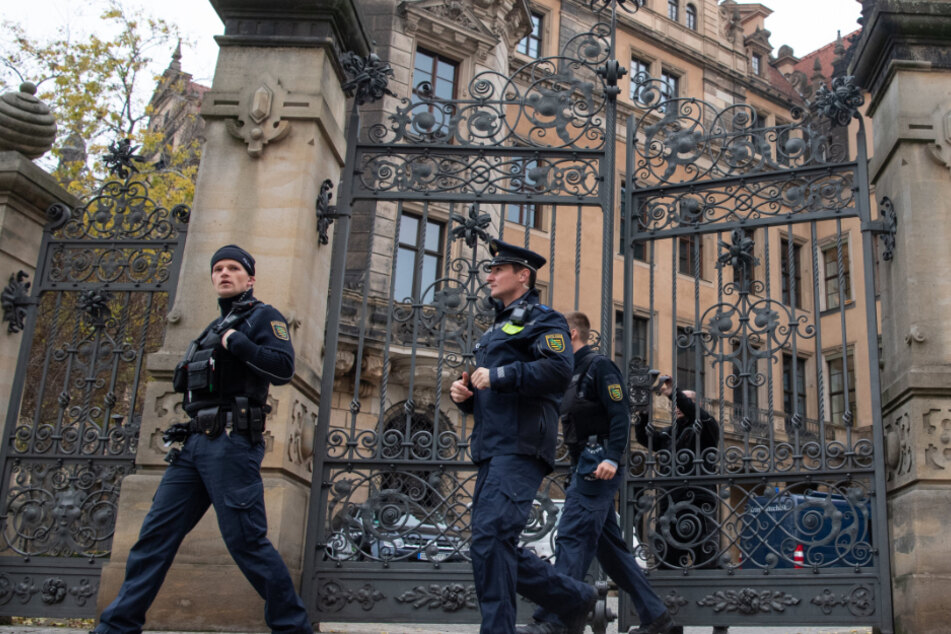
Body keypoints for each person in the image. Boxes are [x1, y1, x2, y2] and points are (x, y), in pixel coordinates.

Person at [92, 245, 312, 634]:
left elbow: (282, 369)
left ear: (250, 278)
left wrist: (238, 344)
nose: (224, 274)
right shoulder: (209, 330)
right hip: (194, 445)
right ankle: (117, 626)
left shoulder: (263, 317)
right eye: (218, 269)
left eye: (233, 268)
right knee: (154, 537)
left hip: (231, 443)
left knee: (246, 542)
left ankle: (293, 626)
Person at [450, 239, 597, 634]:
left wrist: (498, 376)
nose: (490, 275)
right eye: (490, 269)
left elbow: (557, 371)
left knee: (490, 538)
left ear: (523, 275)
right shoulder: (496, 327)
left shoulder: (545, 320)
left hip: (522, 444)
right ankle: (574, 597)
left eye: (499, 269)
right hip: (491, 446)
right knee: (489, 544)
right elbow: (490, 393)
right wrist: (465, 397)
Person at [517, 312, 675, 634]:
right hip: (583, 464)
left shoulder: (599, 367)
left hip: (599, 464)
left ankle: (555, 621)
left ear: (572, 334)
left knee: (572, 535)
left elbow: (620, 412)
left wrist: (614, 457)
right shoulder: (568, 372)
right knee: (611, 552)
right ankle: (657, 618)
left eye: (554, 335)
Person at [633, 377, 727, 634]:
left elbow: (695, 412)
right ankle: (672, 624)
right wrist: (642, 415)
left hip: (700, 505)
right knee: (668, 564)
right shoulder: (669, 432)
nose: (676, 407)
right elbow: (645, 438)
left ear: (695, 404)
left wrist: (673, 392)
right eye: (676, 403)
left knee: (707, 563)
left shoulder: (707, 426)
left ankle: (719, 622)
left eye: (682, 402)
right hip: (670, 506)